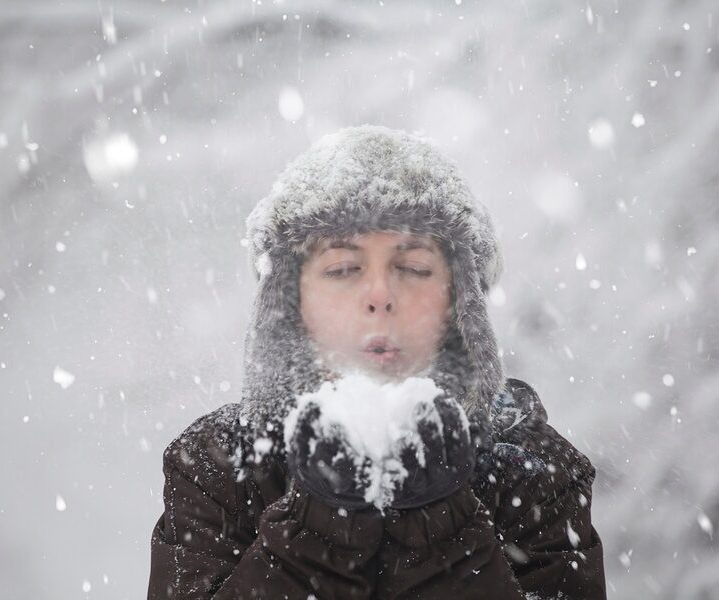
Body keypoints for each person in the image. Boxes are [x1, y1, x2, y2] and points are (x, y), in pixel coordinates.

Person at [146, 125, 607, 599]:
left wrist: (444, 529)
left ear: (459, 301)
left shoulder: (536, 473)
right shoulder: (217, 469)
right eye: (344, 268)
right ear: (290, 299)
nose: (381, 295)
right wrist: (317, 528)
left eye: (413, 268)